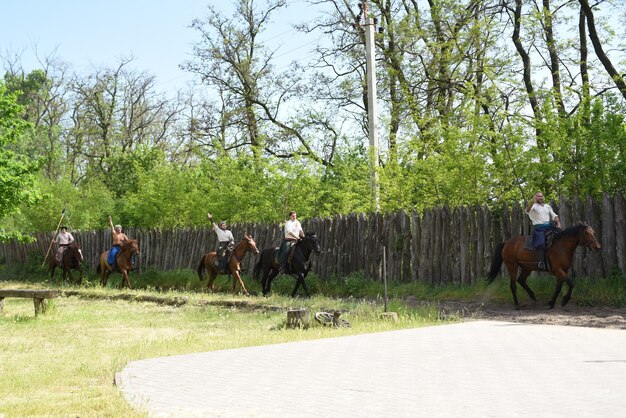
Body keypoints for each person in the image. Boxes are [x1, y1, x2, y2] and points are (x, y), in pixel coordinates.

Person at [525, 192, 561, 270]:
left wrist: (558, 223)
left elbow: (554, 216)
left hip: (549, 227)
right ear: (535, 197)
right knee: (541, 243)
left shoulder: (547, 206)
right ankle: (541, 262)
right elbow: (527, 210)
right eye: (538, 196)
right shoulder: (533, 206)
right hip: (539, 229)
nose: (540, 198)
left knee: (560, 238)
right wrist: (532, 201)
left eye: (541, 196)